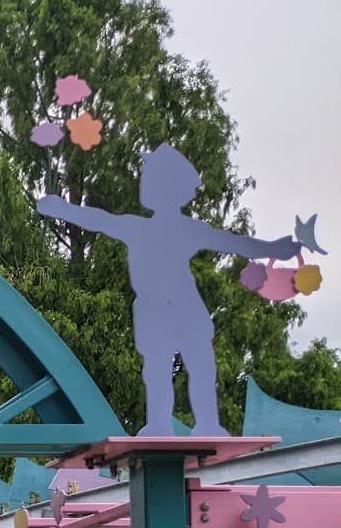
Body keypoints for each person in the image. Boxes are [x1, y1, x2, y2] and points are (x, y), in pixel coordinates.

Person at [37, 144, 299, 436]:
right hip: (153, 308)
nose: (145, 185)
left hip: (182, 306)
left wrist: (274, 248)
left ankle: (206, 424)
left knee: (197, 364)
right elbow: (99, 220)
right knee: (161, 368)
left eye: (151, 180)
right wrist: (63, 210)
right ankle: (163, 424)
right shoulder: (138, 227)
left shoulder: (175, 229)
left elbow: (232, 242)